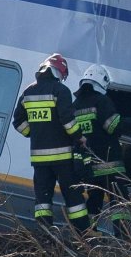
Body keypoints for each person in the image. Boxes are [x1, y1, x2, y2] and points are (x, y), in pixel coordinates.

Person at [13, 53, 91, 235]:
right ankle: (83, 233)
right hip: (63, 157)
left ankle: (45, 234)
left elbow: (18, 122)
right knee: (72, 196)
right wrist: (80, 137)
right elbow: (68, 121)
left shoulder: (28, 92)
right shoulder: (60, 91)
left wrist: (35, 133)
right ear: (59, 73)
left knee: (42, 200)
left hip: (39, 160)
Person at [74, 63, 131, 238]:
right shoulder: (102, 101)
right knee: (119, 202)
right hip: (110, 163)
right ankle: (123, 238)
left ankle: (87, 235)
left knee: (94, 201)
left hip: (89, 166)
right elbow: (113, 126)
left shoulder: (76, 105)